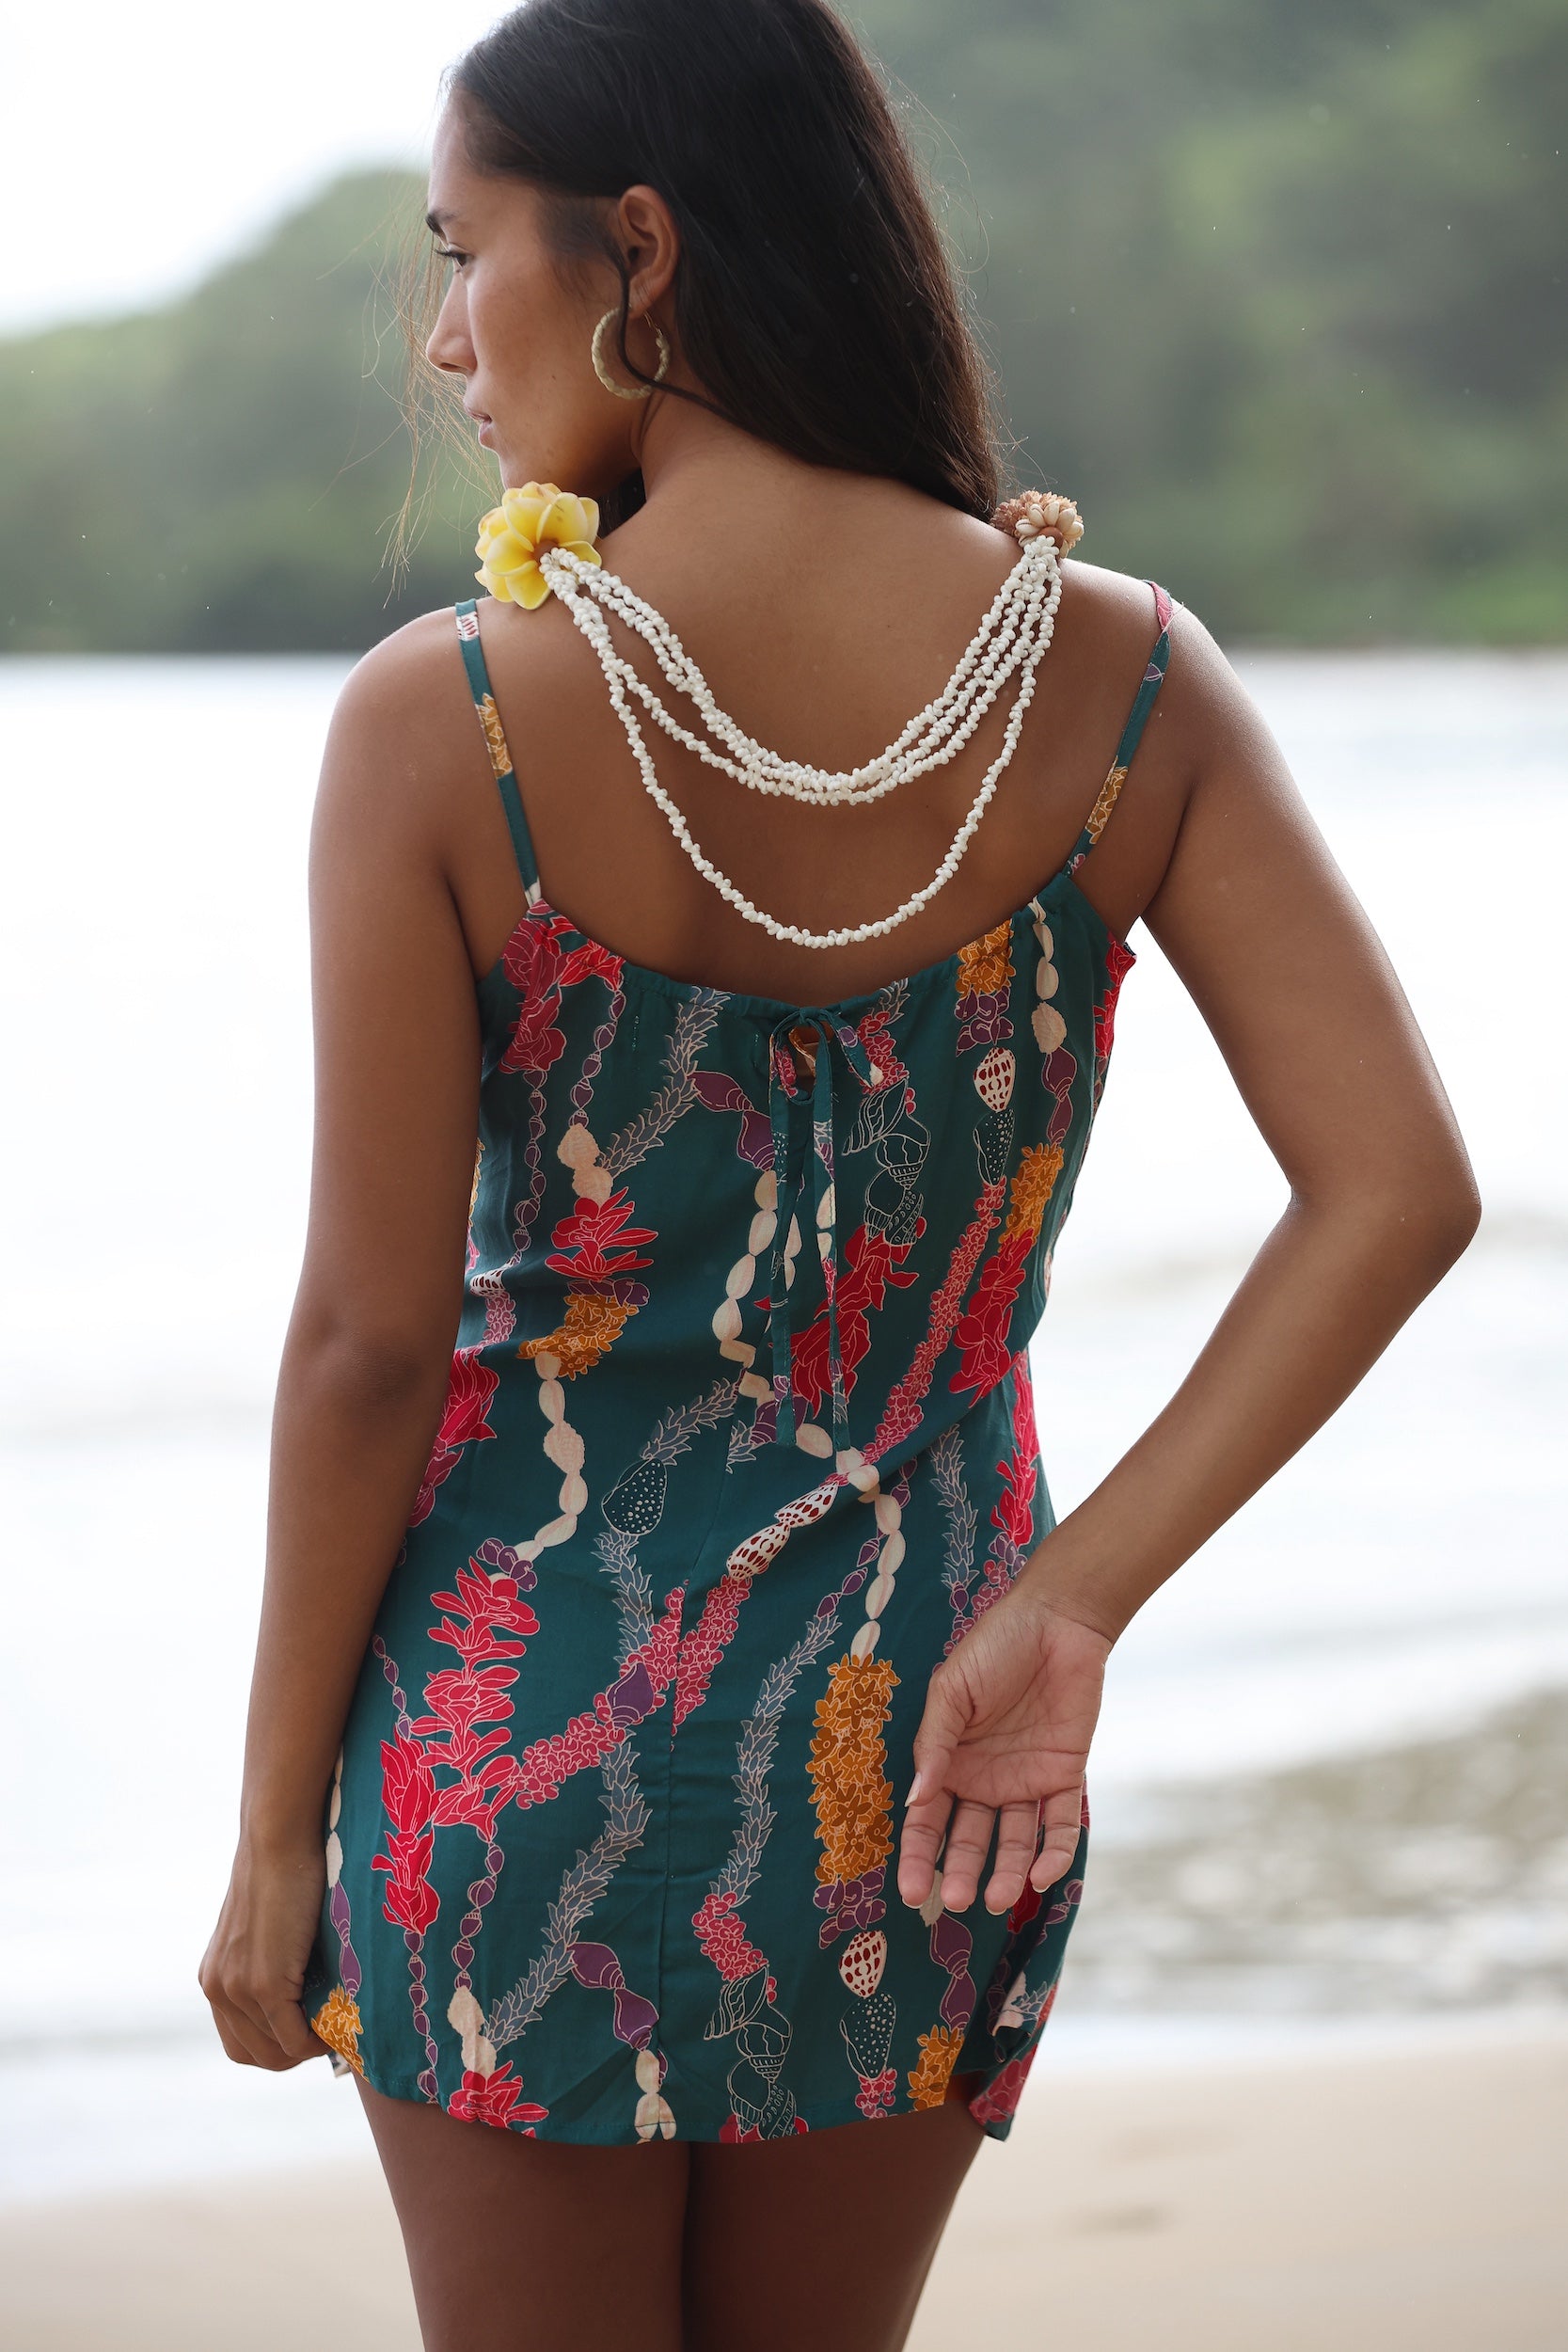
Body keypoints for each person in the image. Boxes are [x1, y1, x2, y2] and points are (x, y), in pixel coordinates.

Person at [198, 1, 1480, 2344]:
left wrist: (278, 1830)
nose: (446, 336)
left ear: (642, 249)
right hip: (915, 1762)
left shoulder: (449, 720)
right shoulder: (1121, 683)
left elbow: (372, 1345)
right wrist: (1073, 1599)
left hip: (511, 1745)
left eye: (462, 248)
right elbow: (1397, 1187)